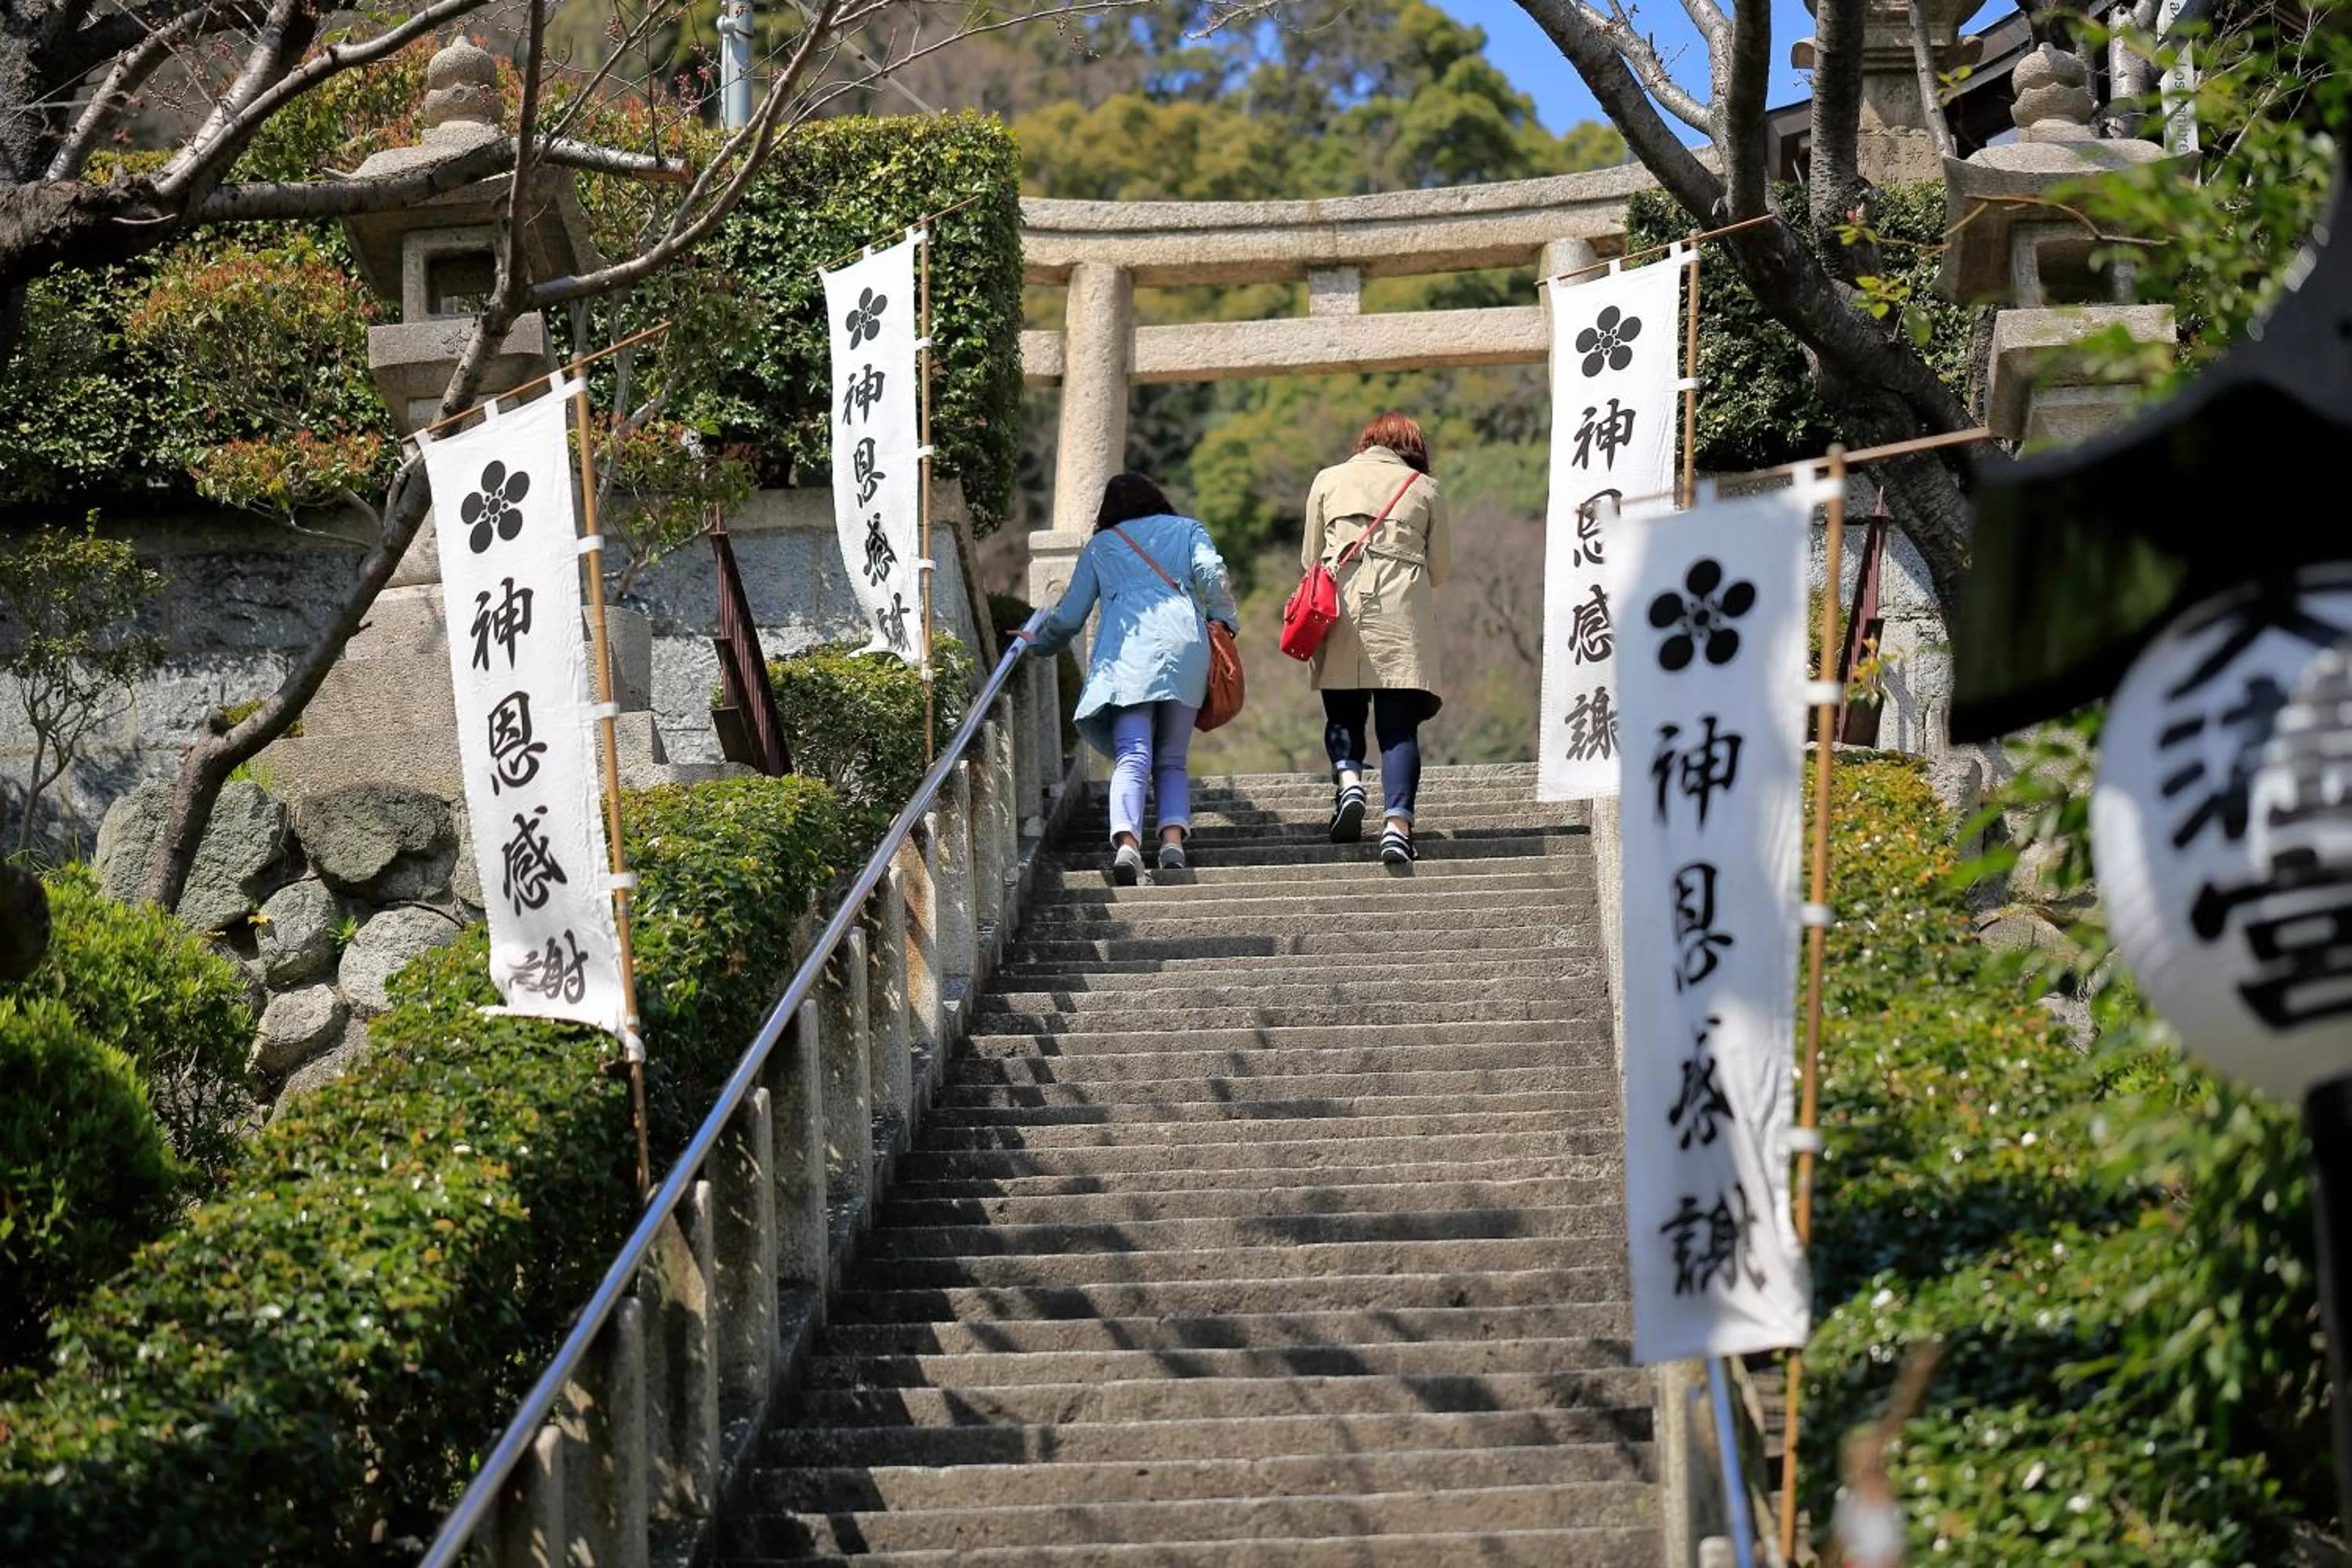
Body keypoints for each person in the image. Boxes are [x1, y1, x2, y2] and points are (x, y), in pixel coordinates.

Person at [1022, 473, 1239, 884]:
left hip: (1128, 654)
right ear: (1156, 498)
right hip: (1184, 647)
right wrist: (1224, 619)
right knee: (1172, 756)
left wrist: (1037, 642)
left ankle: (1127, 846)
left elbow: (1069, 615)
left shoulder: (1103, 546)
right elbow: (1212, 572)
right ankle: (1173, 843)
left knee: (1132, 752)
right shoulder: (1188, 530)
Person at [1301, 413, 1448, 863]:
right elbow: (1440, 568)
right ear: (1413, 447)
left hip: (1340, 609)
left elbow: (1310, 558)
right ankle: (1397, 828)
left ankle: (1349, 781)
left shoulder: (1328, 479)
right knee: (1398, 728)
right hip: (1401, 615)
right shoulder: (1425, 488)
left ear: (1366, 442)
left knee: (1343, 714)